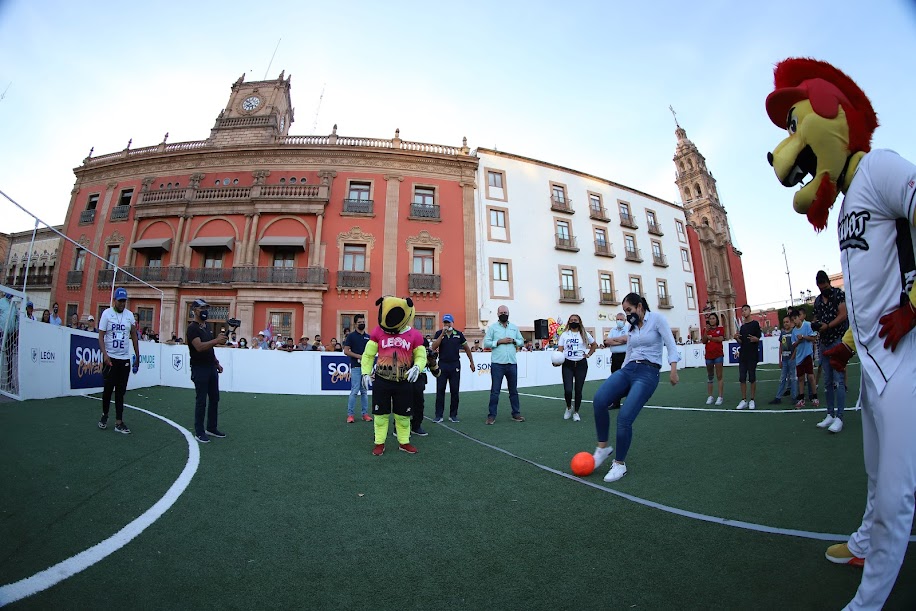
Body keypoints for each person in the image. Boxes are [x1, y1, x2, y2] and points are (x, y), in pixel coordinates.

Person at [591, 293, 679, 482]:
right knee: (599, 400)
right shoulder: (631, 327)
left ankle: (619, 464)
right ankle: (602, 447)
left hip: (648, 372)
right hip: (629, 368)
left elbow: (671, 345)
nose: (627, 314)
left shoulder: (657, 319)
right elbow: (630, 351)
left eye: (629, 310)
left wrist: (673, 369)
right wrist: (621, 378)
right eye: (624, 311)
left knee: (624, 417)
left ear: (639, 306)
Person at [361, 295, 426, 456]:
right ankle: (379, 443)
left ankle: (404, 442)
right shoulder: (378, 331)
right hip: (382, 380)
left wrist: (418, 366)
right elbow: (368, 354)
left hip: (403, 381)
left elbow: (421, 355)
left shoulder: (415, 335)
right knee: (380, 415)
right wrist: (365, 372)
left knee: (403, 416)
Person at [97, 287, 140, 434]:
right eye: (120, 301)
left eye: (124, 301)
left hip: (124, 359)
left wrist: (137, 355)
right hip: (110, 358)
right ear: (114, 300)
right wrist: (105, 354)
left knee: (120, 392)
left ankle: (119, 422)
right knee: (108, 390)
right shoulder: (106, 314)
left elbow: (134, 335)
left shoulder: (129, 316)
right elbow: (101, 336)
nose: (122, 303)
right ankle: (104, 415)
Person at [811, 270, 849, 432]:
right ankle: (830, 414)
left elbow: (843, 315)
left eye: (824, 285)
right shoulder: (818, 300)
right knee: (827, 380)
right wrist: (816, 324)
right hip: (824, 342)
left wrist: (827, 326)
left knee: (838, 379)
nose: (822, 289)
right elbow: (816, 318)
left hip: (837, 340)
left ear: (828, 282)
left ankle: (839, 417)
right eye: (820, 287)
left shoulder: (838, 294)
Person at [186, 298, 227, 443]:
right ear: (194, 310)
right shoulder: (192, 328)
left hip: (210, 368)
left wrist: (216, 363)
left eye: (206, 308)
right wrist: (216, 340)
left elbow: (209, 349)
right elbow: (199, 347)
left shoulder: (207, 326)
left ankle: (211, 427)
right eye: (201, 308)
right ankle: (199, 431)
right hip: (199, 368)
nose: (205, 311)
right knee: (201, 401)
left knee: (215, 398)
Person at [483, 305, 525, 424]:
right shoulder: (493, 328)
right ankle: (491, 416)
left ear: (508, 313)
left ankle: (516, 414)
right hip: (498, 364)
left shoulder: (514, 327)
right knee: (495, 391)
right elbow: (486, 343)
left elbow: (521, 341)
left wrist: (514, 341)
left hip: (512, 363)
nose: (503, 314)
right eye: (501, 312)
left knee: (513, 391)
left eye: (505, 312)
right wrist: (499, 342)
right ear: (497, 314)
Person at [431, 313, 475, 423]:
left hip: (455, 365)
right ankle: (439, 415)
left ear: (452, 323)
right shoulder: (438, 333)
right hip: (442, 364)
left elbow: (467, 348)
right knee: (440, 390)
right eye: (445, 322)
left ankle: (453, 415)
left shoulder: (459, 334)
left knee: (454, 391)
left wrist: (471, 362)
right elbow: (433, 347)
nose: (446, 324)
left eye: (448, 322)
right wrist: (442, 334)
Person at [554, 313, 597, 421]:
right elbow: (560, 350)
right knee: (568, 390)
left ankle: (576, 412)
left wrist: (588, 354)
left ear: (579, 322)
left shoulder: (584, 334)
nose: (574, 321)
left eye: (576, 320)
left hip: (581, 364)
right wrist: (557, 360)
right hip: (567, 364)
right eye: (571, 320)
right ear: (568, 322)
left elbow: (594, 344)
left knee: (578, 390)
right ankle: (569, 407)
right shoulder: (564, 335)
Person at [343, 314, 373, 423]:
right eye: (360, 322)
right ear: (355, 324)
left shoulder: (368, 337)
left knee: (364, 391)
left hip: (366, 368)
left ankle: (365, 414)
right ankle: (350, 415)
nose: (362, 324)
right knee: (355, 390)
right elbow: (346, 351)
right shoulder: (351, 336)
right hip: (356, 366)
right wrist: (359, 356)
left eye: (363, 322)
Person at [734, 304, 762, 410]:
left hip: (752, 354)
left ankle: (752, 399)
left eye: (745, 310)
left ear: (750, 311)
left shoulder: (755, 324)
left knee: (752, 377)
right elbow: (742, 342)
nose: (744, 312)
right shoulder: (742, 327)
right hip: (743, 355)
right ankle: (744, 399)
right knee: (742, 377)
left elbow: (758, 338)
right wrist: (736, 338)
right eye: (742, 311)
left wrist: (756, 339)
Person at [790, 306, 818, 408]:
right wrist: (798, 341)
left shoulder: (807, 325)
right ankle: (801, 398)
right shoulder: (794, 331)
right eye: (792, 320)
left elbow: (813, 338)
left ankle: (815, 397)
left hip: (807, 354)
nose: (795, 321)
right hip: (799, 357)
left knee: (810, 376)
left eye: (795, 319)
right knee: (801, 378)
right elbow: (793, 344)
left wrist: (804, 337)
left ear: (799, 317)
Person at [769, 314, 798, 405]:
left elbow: (796, 346)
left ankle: (794, 397)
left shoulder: (794, 332)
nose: (785, 324)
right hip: (785, 359)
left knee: (793, 378)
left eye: (787, 322)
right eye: (784, 322)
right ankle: (778, 397)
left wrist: (793, 357)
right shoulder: (782, 333)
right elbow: (781, 346)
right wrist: (780, 359)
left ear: (791, 322)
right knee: (782, 378)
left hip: (792, 359)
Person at [603, 312, 628, 409]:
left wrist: (614, 341)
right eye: (618, 319)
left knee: (627, 379)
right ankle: (616, 402)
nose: (619, 321)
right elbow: (607, 341)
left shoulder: (628, 329)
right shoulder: (613, 330)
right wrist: (620, 341)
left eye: (621, 319)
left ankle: (630, 401)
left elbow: (626, 340)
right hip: (615, 357)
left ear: (625, 320)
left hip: (625, 356)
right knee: (615, 380)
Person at [702, 312, 726, 405]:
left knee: (719, 376)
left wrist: (711, 338)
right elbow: (704, 341)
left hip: (718, 355)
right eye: (710, 318)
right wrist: (706, 333)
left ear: (716, 320)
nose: (711, 320)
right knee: (710, 376)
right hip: (709, 355)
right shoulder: (706, 330)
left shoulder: (720, 329)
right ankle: (710, 396)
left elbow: (720, 339)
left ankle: (720, 397)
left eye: (713, 318)